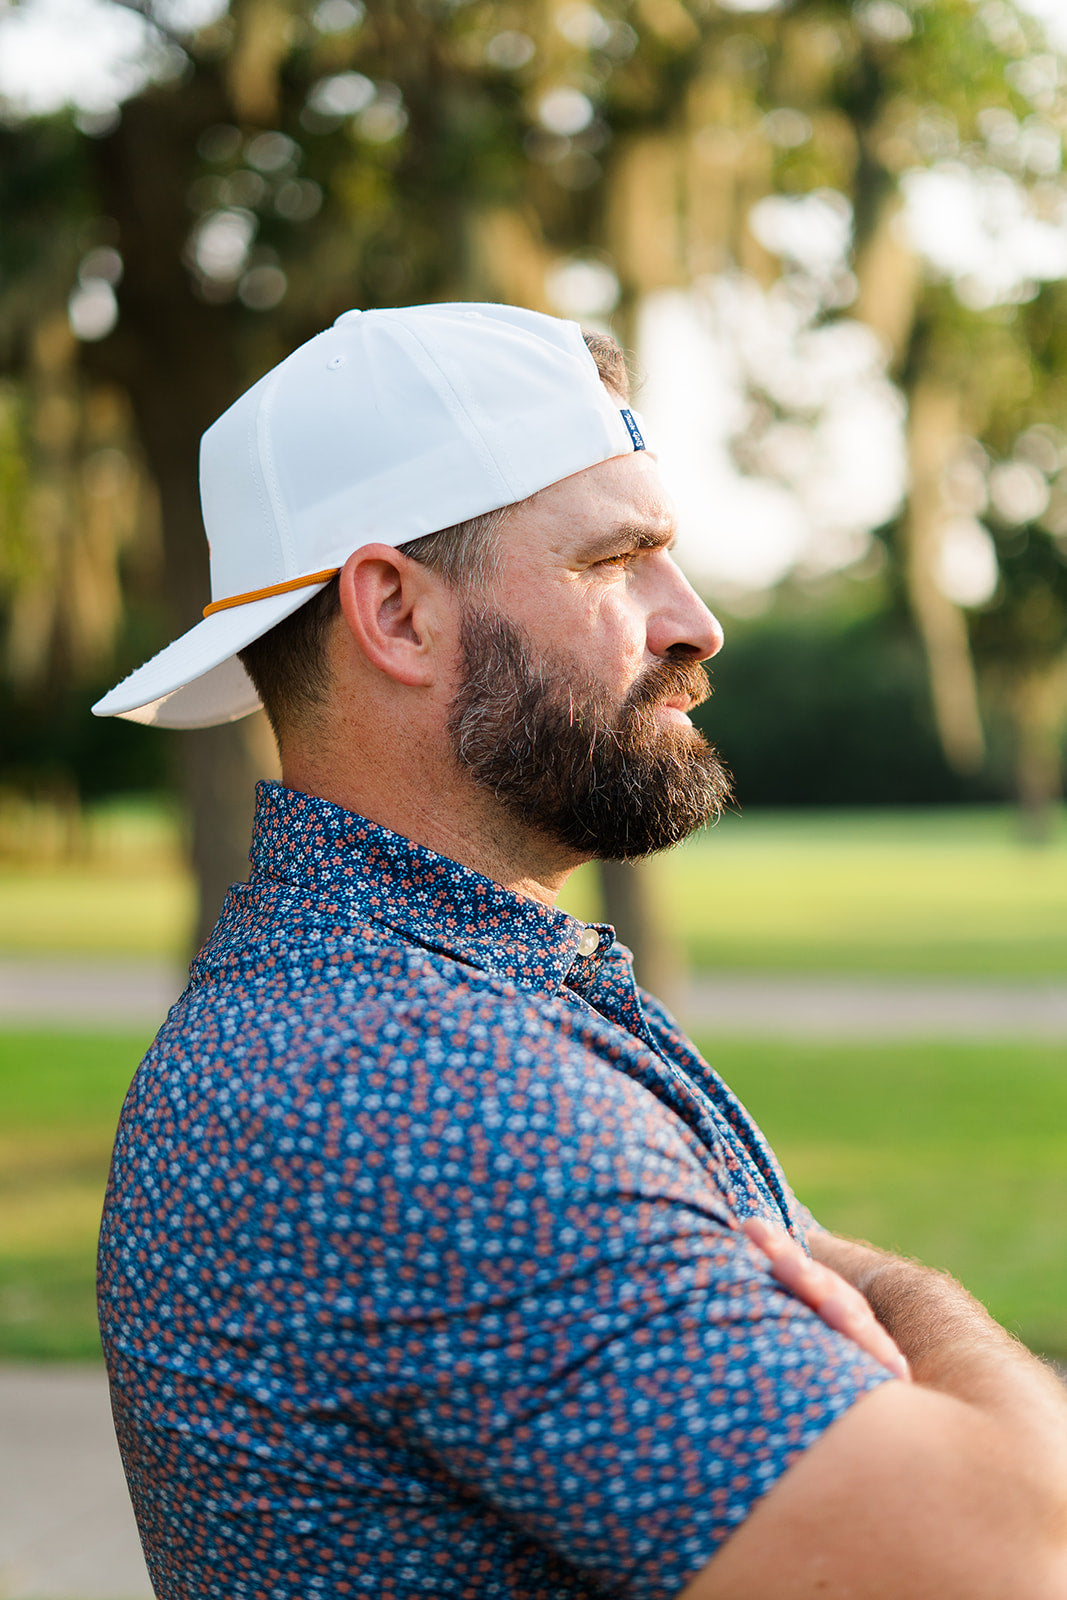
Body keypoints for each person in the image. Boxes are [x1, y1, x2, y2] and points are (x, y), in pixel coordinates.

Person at [93, 303, 1067, 1600]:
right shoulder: (414, 1092)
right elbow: (1019, 1553)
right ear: (397, 614)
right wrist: (881, 1282)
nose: (696, 623)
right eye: (619, 559)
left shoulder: (416, 1002)